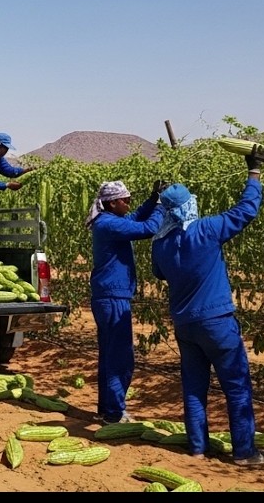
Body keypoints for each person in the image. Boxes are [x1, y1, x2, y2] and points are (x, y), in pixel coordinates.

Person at [150, 143, 264, 467]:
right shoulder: (206, 229)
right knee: (236, 386)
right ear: (190, 205)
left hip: (185, 324)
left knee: (194, 387)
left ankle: (197, 447)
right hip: (217, 321)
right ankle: (244, 452)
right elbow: (245, 211)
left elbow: (159, 273)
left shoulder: (160, 245)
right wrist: (254, 172)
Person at [85, 178, 164, 425]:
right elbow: (147, 228)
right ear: (112, 203)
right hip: (113, 297)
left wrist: (152, 199)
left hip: (108, 295)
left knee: (110, 355)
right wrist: (161, 206)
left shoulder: (108, 220)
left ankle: (106, 409)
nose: (129, 204)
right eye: (125, 200)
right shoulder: (109, 224)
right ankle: (114, 413)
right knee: (120, 358)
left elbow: (136, 217)